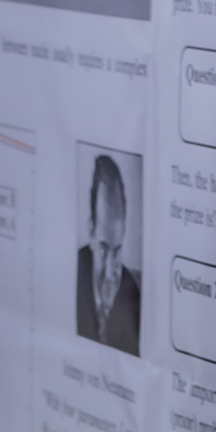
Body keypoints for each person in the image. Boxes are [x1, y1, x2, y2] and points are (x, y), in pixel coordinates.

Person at [75, 149, 141, 353]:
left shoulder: (134, 297)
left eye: (118, 250)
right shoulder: (72, 273)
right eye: (104, 250)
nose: (111, 272)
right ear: (91, 231)